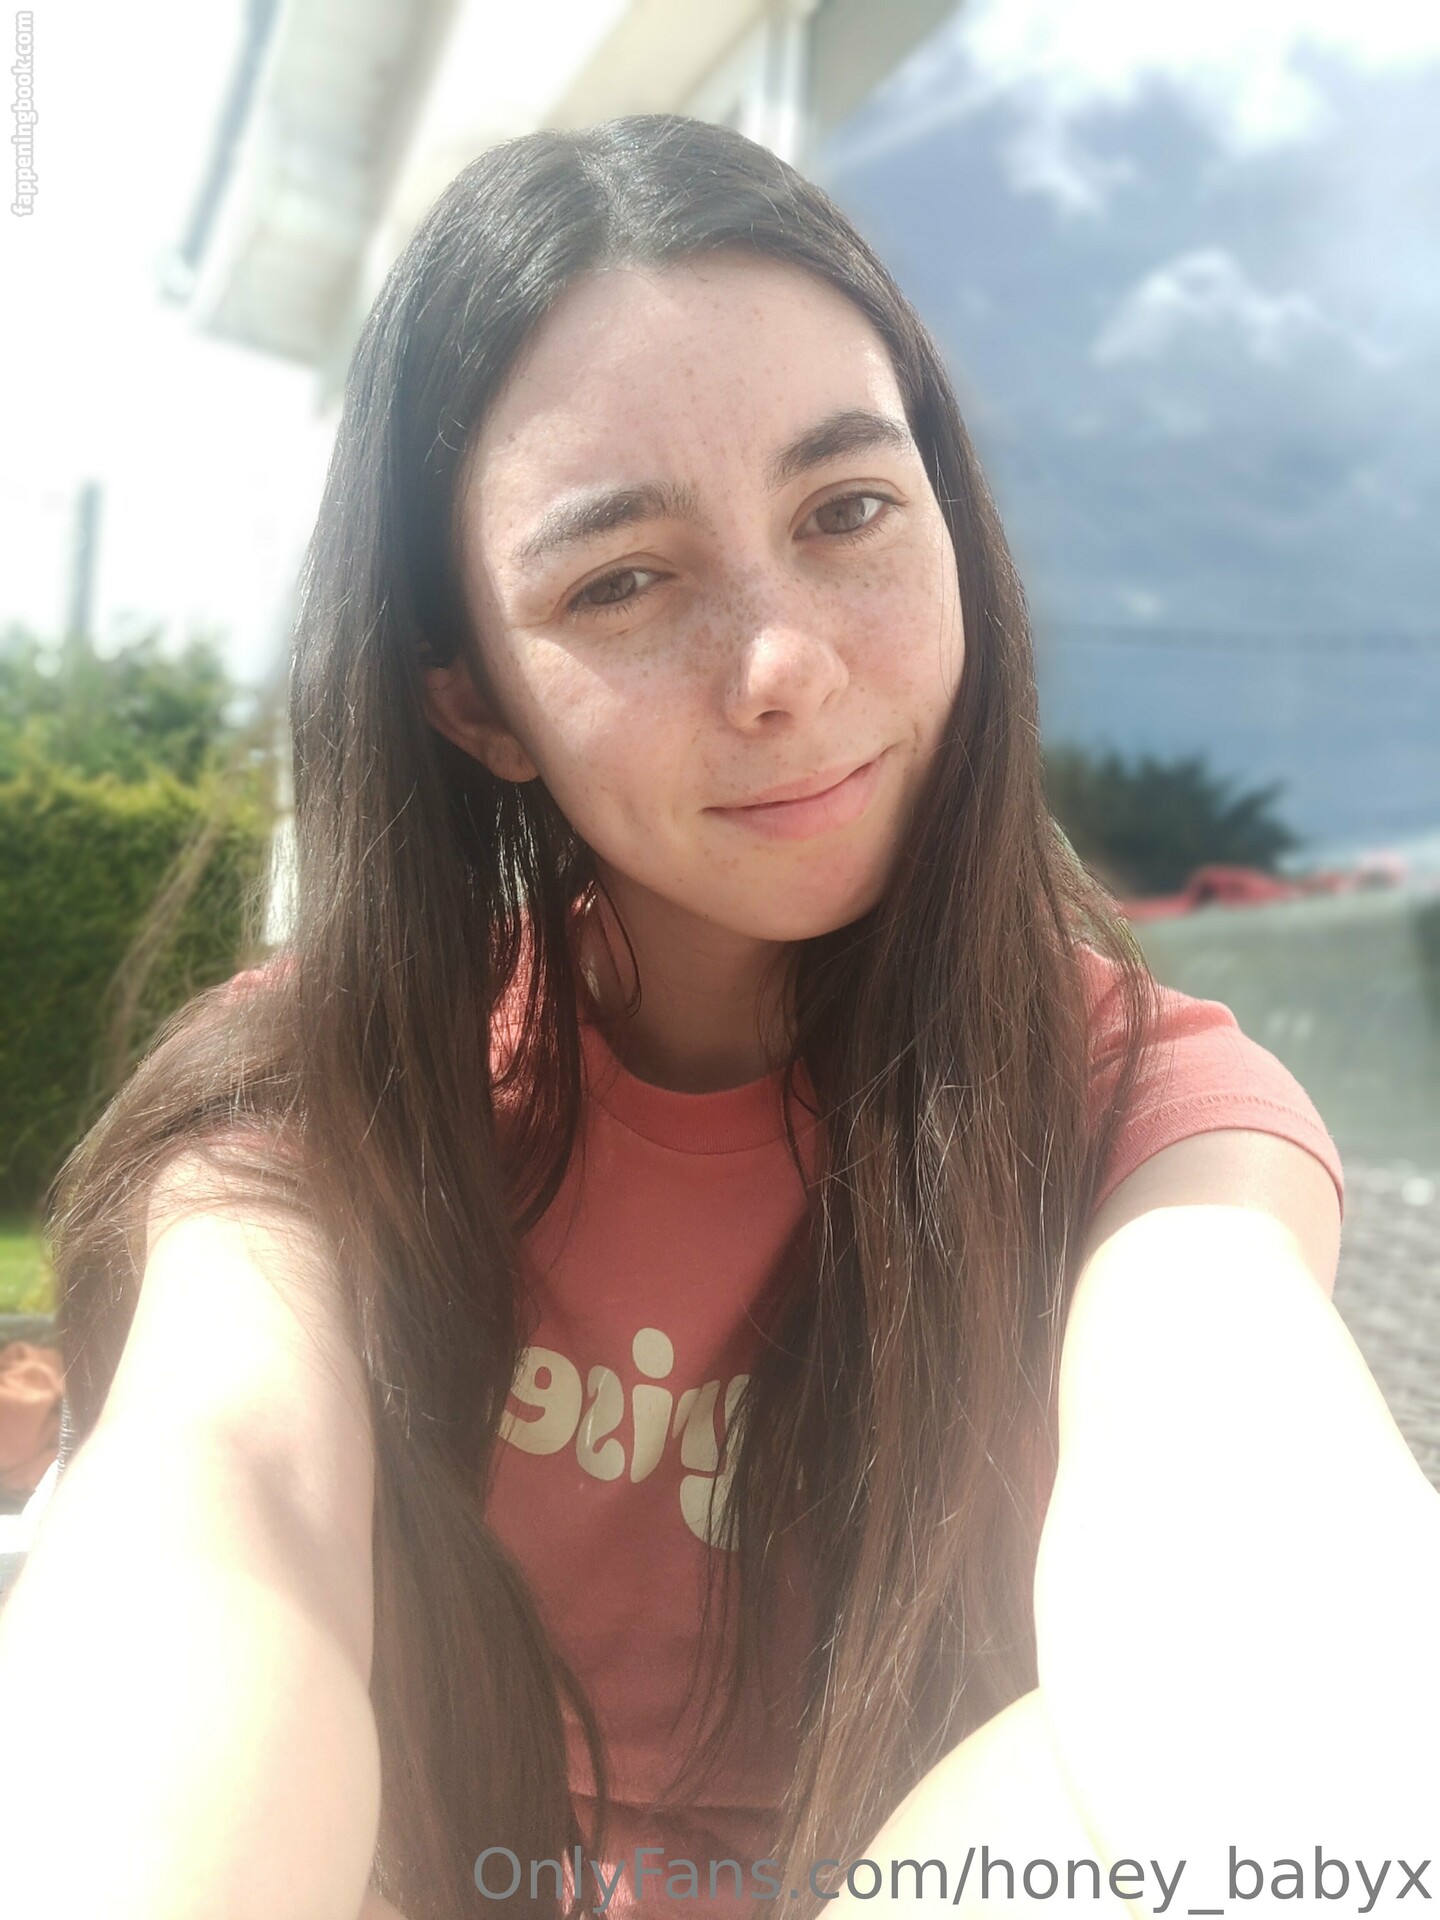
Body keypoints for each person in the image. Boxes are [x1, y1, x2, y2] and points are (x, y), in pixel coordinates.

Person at [1, 115, 1436, 1920]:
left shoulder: (1147, 1118)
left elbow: (1238, 1495)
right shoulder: (325, 1102)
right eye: (621, 581)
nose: (785, 666)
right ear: (475, 700)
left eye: (848, 511)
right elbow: (233, 1499)